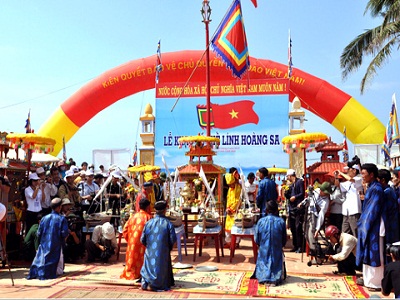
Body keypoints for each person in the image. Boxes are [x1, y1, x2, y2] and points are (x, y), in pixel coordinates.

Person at [356, 163, 385, 292]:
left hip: (375, 225)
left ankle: (376, 282)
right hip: (368, 224)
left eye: (363, 173)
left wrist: (364, 224)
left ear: (371, 174)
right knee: (367, 252)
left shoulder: (377, 189)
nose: (362, 176)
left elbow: (373, 210)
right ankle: (368, 279)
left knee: (375, 253)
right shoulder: (371, 187)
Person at [27, 197, 69, 280]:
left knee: (40, 259)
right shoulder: (62, 219)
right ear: (59, 207)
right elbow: (64, 233)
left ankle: (38, 273)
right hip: (56, 245)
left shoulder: (44, 218)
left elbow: (38, 233)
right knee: (58, 267)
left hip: (44, 244)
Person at [140, 200, 177, 291]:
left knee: (148, 260)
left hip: (150, 254)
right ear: (165, 210)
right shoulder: (168, 223)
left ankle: (147, 283)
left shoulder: (148, 223)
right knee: (163, 261)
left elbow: (142, 240)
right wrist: (166, 248)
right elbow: (173, 240)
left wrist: (150, 247)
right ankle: (157, 284)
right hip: (163, 254)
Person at [251, 200, 287, 286]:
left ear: (266, 210)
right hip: (276, 251)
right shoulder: (281, 222)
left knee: (264, 255)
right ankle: (274, 277)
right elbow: (284, 240)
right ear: (276, 210)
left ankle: (264, 276)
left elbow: (257, 240)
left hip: (264, 250)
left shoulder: (260, 222)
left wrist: (262, 245)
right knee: (275, 256)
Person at [120, 198, 152, 280]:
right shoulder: (149, 217)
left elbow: (125, 230)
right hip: (143, 244)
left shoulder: (133, 217)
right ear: (148, 207)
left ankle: (131, 273)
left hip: (132, 244)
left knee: (132, 260)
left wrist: (130, 240)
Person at [299, 181, 332, 258]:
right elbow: (309, 198)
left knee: (311, 233)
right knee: (305, 232)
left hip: (315, 216)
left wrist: (317, 229)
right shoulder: (316, 191)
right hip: (308, 212)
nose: (321, 192)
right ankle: (313, 249)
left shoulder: (325, 202)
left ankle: (316, 252)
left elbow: (321, 215)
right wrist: (302, 203)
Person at [335, 160, 363, 237]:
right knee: (344, 233)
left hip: (354, 211)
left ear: (354, 170)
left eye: (348, 169)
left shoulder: (359, 178)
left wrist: (341, 173)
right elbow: (338, 185)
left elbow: (351, 179)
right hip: (346, 211)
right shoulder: (348, 182)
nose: (347, 171)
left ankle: (359, 248)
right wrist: (336, 177)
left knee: (355, 232)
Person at [377, 168, 400, 260]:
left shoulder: (387, 193)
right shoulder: (390, 191)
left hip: (390, 226)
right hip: (391, 224)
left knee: (389, 249)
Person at [286, 169, 305, 253]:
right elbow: (289, 196)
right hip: (292, 208)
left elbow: (302, 193)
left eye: (288, 176)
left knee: (298, 228)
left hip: (298, 208)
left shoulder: (299, 182)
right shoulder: (291, 185)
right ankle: (295, 245)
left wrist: (295, 197)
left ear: (290, 176)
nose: (287, 178)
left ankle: (300, 246)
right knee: (293, 228)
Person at [224, 171, 242, 249]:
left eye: (231, 184)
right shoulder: (230, 189)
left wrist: (232, 209)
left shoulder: (238, 188)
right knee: (228, 228)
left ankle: (236, 243)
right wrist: (227, 208)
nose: (230, 186)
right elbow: (228, 199)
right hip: (229, 211)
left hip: (236, 211)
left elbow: (238, 200)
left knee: (236, 227)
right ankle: (229, 242)